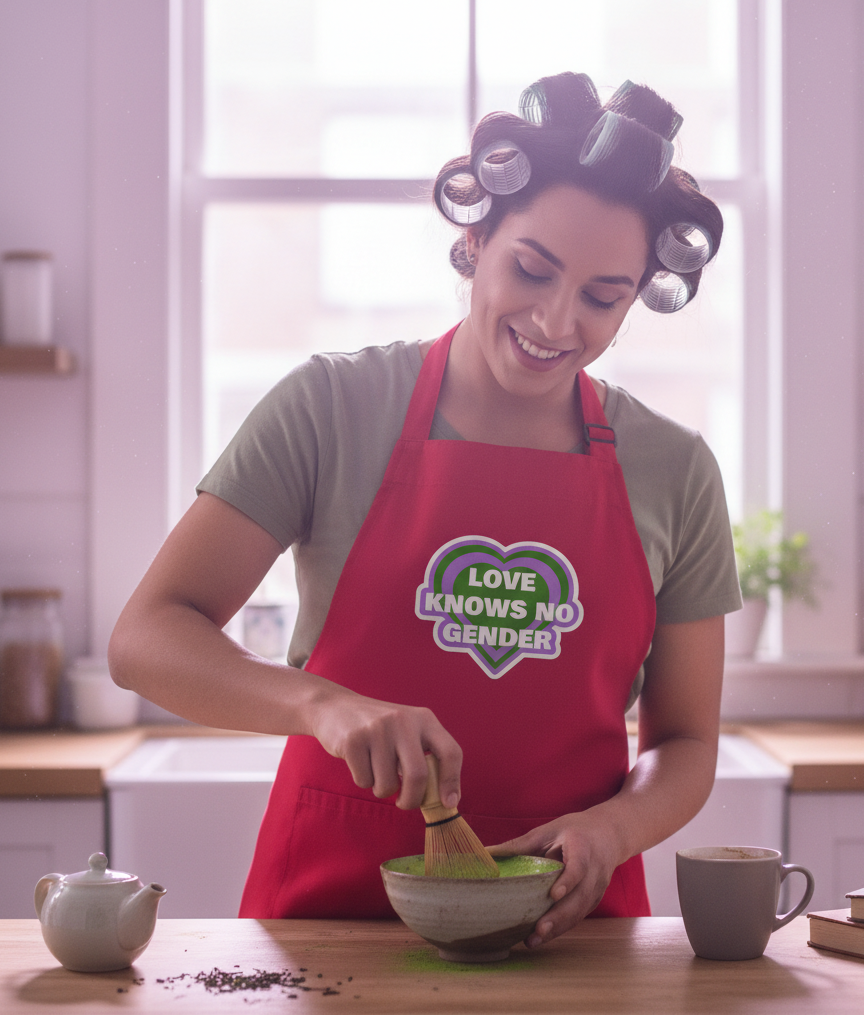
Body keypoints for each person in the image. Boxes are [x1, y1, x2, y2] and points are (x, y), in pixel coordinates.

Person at [109, 72, 741, 947]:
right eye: (532, 269)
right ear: (477, 238)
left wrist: (616, 830)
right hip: (331, 921)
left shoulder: (675, 468)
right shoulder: (331, 407)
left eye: (604, 297)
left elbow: (686, 740)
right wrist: (322, 706)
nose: (557, 321)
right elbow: (146, 638)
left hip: (568, 927)